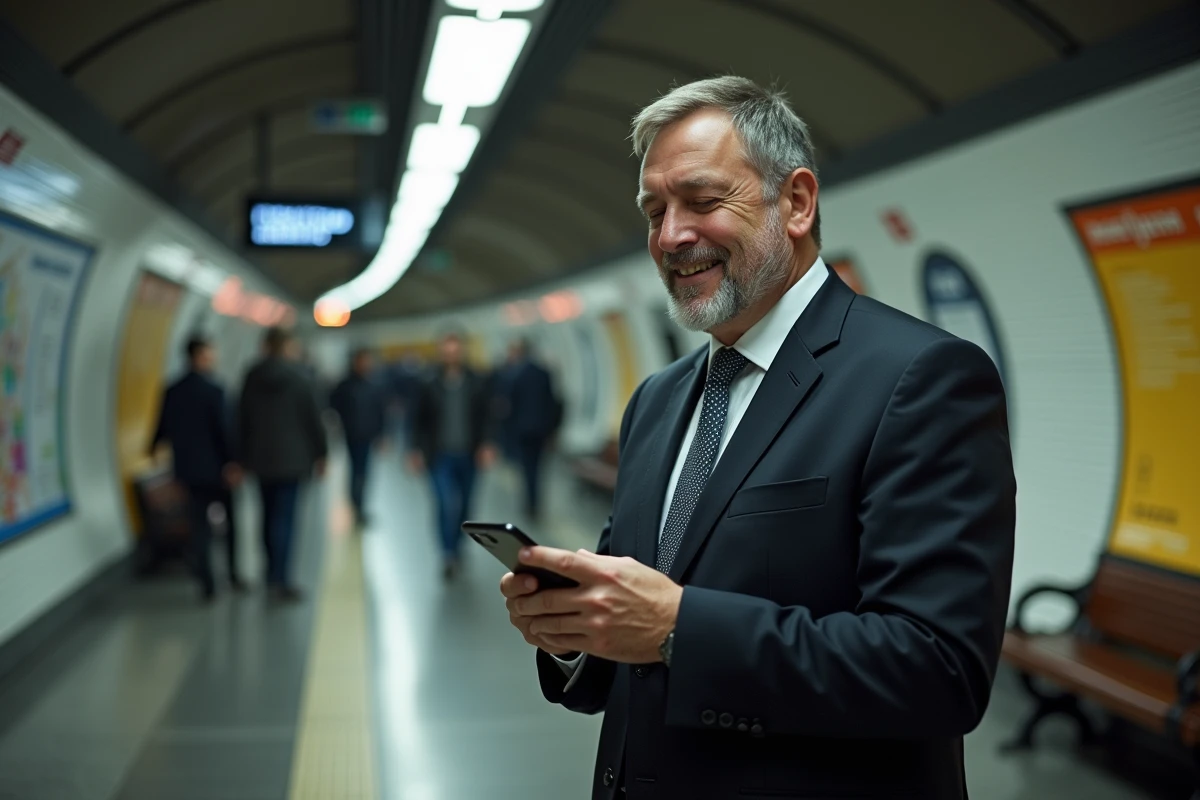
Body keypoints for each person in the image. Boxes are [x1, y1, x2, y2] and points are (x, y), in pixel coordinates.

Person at [500, 76, 1016, 799]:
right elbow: (628, 648)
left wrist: (680, 628)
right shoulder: (659, 400)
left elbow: (938, 671)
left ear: (797, 202)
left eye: (704, 201)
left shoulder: (918, 379)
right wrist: (572, 630)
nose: (672, 235)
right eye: (655, 210)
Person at [150, 335, 245, 601]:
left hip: (189, 471)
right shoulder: (215, 390)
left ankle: (207, 584)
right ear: (199, 356)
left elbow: (161, 429)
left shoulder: (172, 390)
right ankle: (233, 574)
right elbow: (224, 431)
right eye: (209, 354)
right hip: (219, 470)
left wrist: (154, 450)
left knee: (199, 526)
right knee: (230, 524)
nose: (213, 358)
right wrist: (234, 462)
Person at [237, 326, 328, 602]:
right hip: (294, 460)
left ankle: (269, 571)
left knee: (266, 515)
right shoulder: (300, 377)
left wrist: (240, 458)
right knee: (286, 519)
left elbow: (241, 418)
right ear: (287, 347)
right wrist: (321, 454)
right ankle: (282, 579)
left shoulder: (251, 377)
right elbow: (313, 418)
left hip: (260, 460)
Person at [408, 330, 497, 580]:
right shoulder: (428, 382)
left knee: (466, 505)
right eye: (446, 349)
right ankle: (447, 553)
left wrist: (488, 444)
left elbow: (487, 416)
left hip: (469, 454)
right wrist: (414, 449)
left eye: (455, 348)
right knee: (445, 503)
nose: (451, 353)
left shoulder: (477, 381)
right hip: (439, 455)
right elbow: (417, 419)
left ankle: (458, 544)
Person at [498, 338, 562, 518]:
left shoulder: (514, 374)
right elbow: (552, 402)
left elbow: (509, 405)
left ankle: (529, 503)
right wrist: (552, 430)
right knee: (539, 467)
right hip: (541, 430)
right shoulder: (544, 373)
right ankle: (536, 503)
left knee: (526, 468)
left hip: (522, 430)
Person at [329, 347, 387, 527]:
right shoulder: (346, 385)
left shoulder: (374, 385)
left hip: (368, 435)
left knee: (364, 472)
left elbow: (380, 411)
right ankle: (356, 506)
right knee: (356, 472)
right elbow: (334, 405)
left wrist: (381, 434)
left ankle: (360, 506)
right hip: (352, 435)